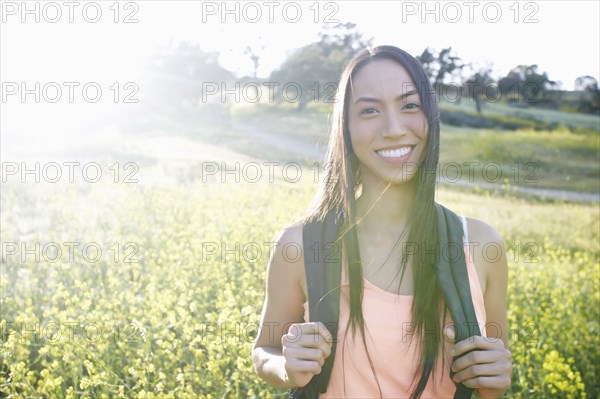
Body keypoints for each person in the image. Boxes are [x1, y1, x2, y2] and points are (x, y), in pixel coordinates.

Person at [252, 45, 512, 398]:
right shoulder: (299, 245)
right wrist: (286, 366)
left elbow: (491, 373)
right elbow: (265, 349)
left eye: (409, 105)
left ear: (429, 117)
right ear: (346, 127)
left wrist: (495, 378)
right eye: (370, 110)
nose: (393, 129)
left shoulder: (482, 245)